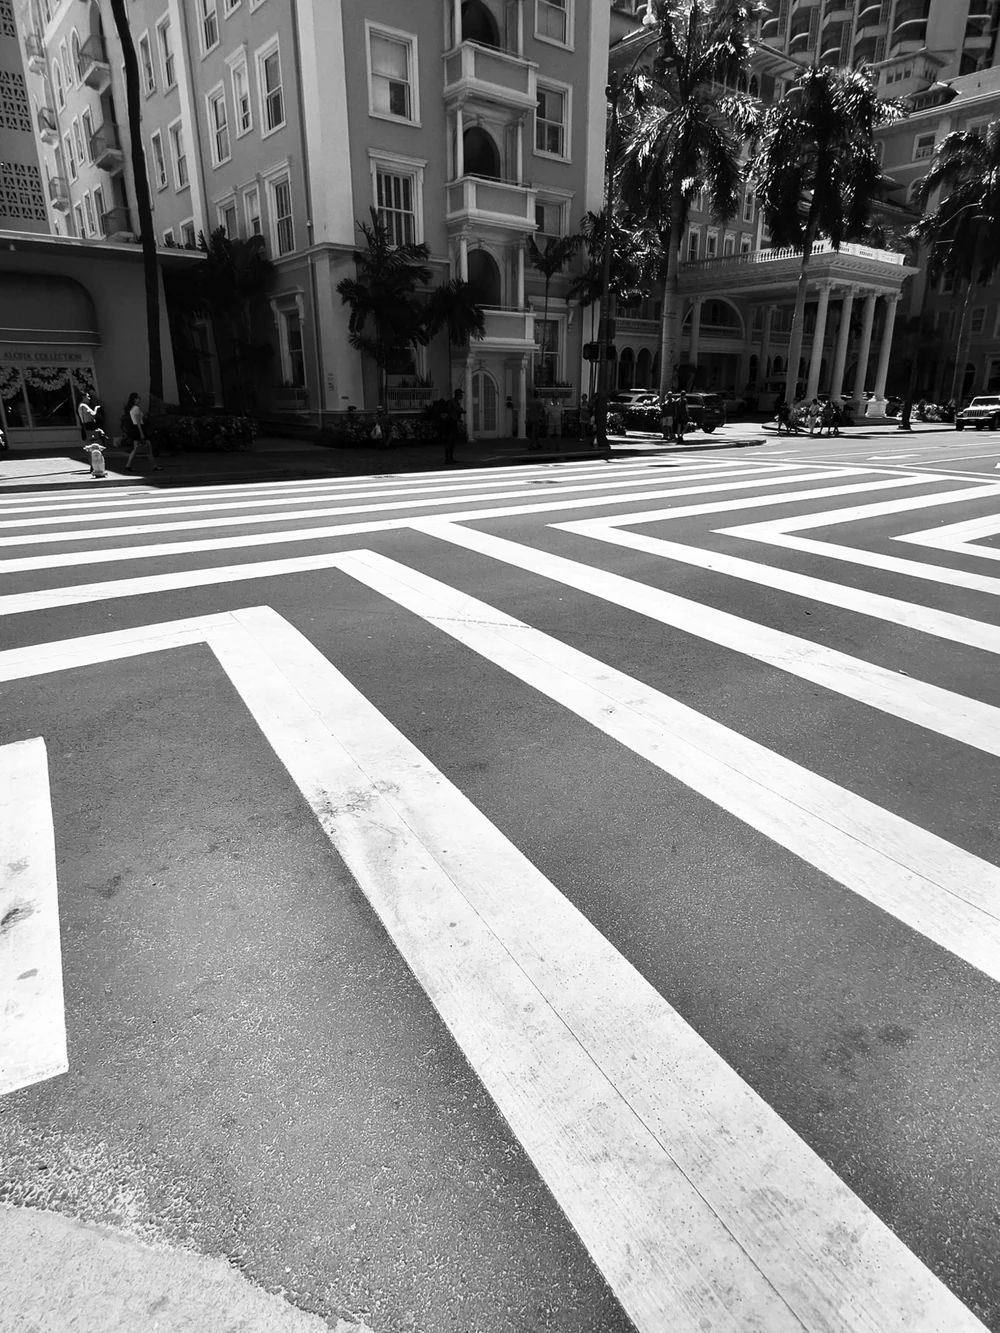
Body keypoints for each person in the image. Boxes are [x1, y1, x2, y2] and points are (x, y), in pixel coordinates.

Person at [122, 392, 161, 472]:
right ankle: (154, 465)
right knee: (148, 447)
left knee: (136, 448)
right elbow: (138, 422)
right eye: (138, 398)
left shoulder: (131, 408)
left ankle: (128, 465)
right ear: (134, 399)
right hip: (139, 429)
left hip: (135, 429)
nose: (139, 399)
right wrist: (142, 433)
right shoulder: (136, 408)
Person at [444, 387, 464, 464]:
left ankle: (450, 457)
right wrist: (461, 411)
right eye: (461, 394)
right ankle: (448, 458)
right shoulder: (453, 402)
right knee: (449, 440)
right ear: (458, 394)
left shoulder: (456, 402)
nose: (462, 396)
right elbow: (457, 410)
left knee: (452, 441)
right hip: (451, 422)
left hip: (453, 421)